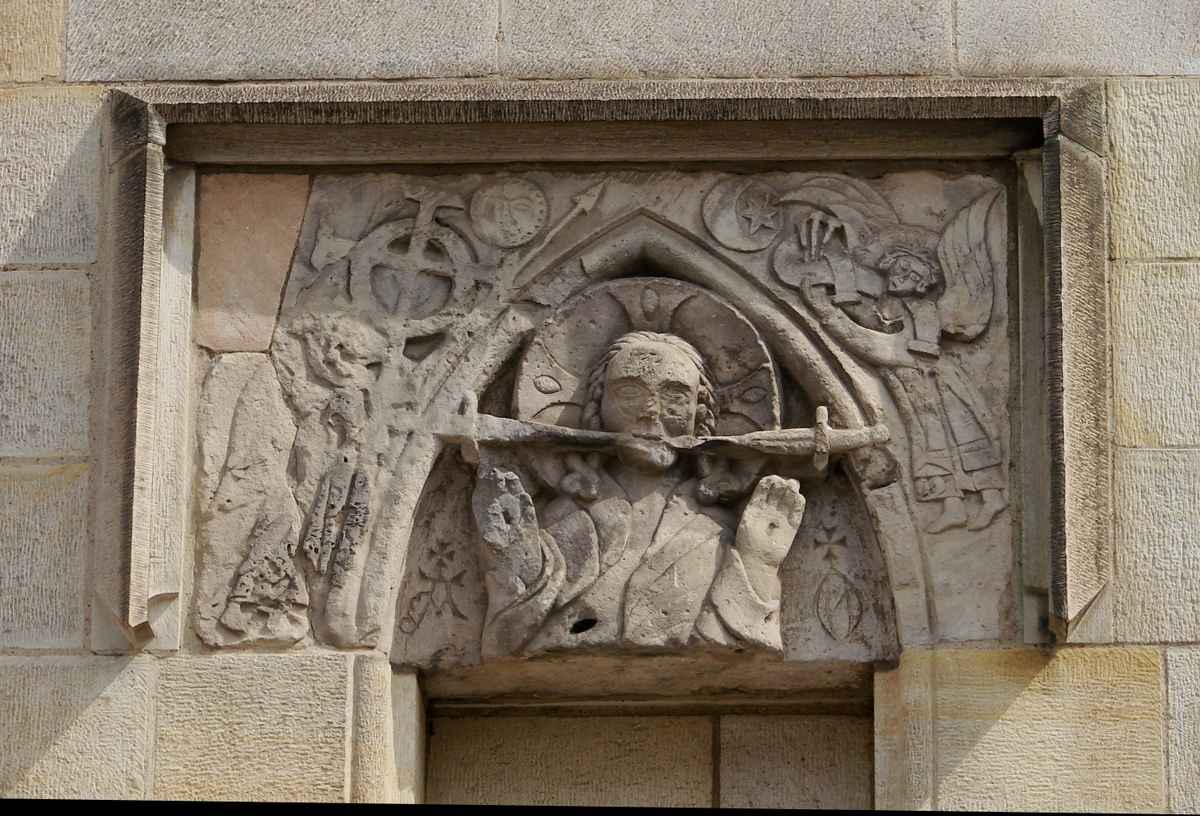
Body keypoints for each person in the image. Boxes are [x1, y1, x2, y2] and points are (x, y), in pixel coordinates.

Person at [472, 331, 806, 659]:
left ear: (699, 413)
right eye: (630, 393)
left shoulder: (716, 532)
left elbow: (748, 644)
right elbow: (506, 641)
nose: (650, 410)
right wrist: (513, 556)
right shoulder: (564, 522)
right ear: (597, 407)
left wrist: (757, 561)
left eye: (675, 396)